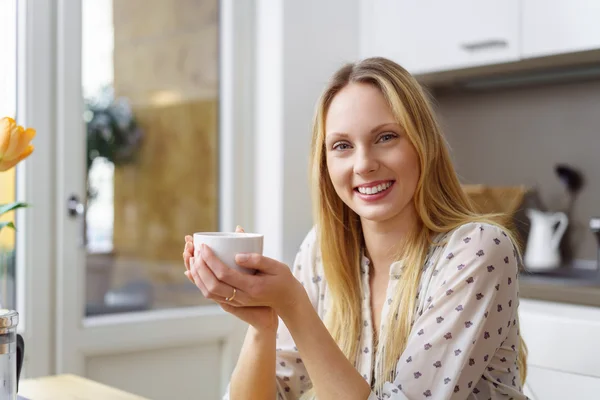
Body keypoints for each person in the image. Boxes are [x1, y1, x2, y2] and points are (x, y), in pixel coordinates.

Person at [182, 57, 528, 400]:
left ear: (423, 145)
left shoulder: (477, 249)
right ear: (326, 163)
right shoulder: (321, 251)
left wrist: (293, 303)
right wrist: (262, 324)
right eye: (342, 146)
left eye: (386, 137)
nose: (363, 164)